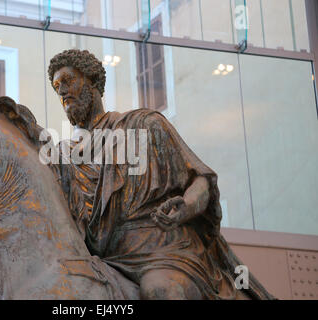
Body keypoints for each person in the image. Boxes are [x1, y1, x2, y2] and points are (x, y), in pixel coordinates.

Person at [46, 49, 274, 299]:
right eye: (57, 86)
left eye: (68, 81)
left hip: (162, 251)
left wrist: (186, 206)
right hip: (104, 255)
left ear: (92, 81)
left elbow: (200, 180)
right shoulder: (65, 157)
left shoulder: (143, 124)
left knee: (161, 291)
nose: (62, 91)